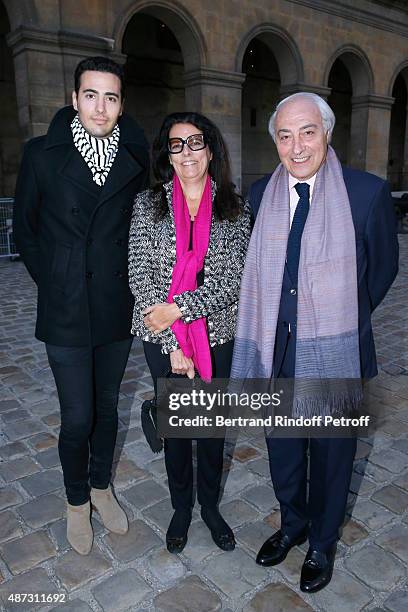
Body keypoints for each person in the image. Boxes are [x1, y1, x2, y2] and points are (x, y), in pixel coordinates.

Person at [231, 92, 398, 592]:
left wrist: (339, 315)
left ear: (327, 133)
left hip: (334, 353)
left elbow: (383, 270)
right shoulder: (261, 195)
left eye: (307, 132)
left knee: (331, 454)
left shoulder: (366, 193)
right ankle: (292, 524)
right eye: (285, 135)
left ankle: (322, 542)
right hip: (277, 350)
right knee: (282, 450)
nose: (297, 145)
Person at [13, 56, 149, 555]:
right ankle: (75, 502)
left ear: (120, 105)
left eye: (110, 97)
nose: (100, 106)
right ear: (74, 99)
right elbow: (24, 231)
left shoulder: (135, 156)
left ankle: (100, 488)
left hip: (116, 305)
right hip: (66, 308)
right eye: (90, 95)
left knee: (109, 409)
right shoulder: (41, 155)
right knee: (77, 416)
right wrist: (54, 281)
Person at [128, 111, 251, 554]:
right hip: (162, 342)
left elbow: (229, 280)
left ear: (211, 148)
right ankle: (181, 507)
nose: (187, 152)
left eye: (195, 142)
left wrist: (179, 310)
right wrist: (174, 343)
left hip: (217, 337)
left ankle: (211, 507)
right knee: (178, 432)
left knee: (212, 431)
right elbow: (139, 277)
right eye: (177, 144)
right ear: (167, 154)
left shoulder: (234, 208)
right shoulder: (148, 205)